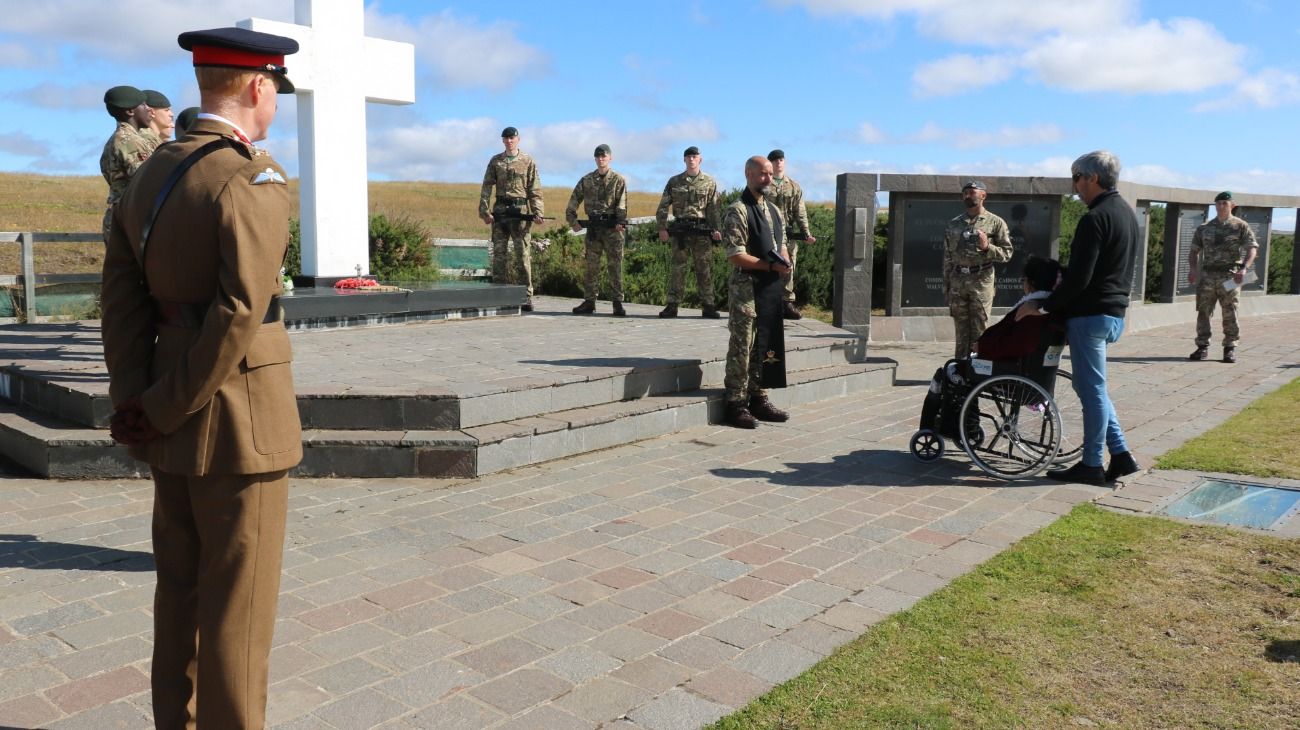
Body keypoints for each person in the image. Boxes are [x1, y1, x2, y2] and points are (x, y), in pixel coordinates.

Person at [100, 26, 302, 729]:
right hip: (238, 422)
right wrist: (162, 405)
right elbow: (241, 310)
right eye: (274, 87)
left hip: (167, 417)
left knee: (179, 594)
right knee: (238, 615)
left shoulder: (153, 171)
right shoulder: (253, 177)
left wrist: (136, 402)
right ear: (256, 87)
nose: (274, 99)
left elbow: (121, 298)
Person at [1015, 151, 1140, 486]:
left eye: (1076, 178)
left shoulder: (1095, 217)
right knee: (1093, 387)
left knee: (1092, 391)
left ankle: (1091, 465)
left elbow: (1079, 279)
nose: (1075, 186)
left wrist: (1043, 307)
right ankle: (1122, 455)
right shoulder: (1126, 214)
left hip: (1091, 316)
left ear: (1093, 178)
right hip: (1113, 314)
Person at [721, 156, 793, 428]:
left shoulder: (774, 210)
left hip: (770, 288)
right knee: (744, 346)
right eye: (762, 174)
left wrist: (785, 261)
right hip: (747, 288)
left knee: (766, 343)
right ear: (748, 174)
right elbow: (735, 254)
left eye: (770, 175)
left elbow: (782, 242)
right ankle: (735, 404)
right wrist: (769, 265)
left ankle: (759, 397)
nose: (768, 179)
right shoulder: (737, 210)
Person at [943, 180, 1013, 359]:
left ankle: (978, 369)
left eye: (973, 192)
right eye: (965, 192)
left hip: (981, 281)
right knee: (961, 330)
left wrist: (987, 247)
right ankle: (959, 369)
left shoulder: (996, 222)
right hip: (958, 281)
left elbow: (1007, 253)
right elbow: (948, 257)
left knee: (979, 329)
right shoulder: (954, 224)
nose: (968, 195)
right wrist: (947, 285)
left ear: (983, 195)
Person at [1187, 191, 1258, 364]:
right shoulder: (1204, 228)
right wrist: (1193, 269)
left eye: (1224, 203)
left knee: (1230, 312)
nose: (1220, 206)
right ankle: (1202, 347)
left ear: (1232, 205)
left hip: (1230, 276)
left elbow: (1252, 248)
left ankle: (1230, 348)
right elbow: (1194, 251)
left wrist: (1244, 268)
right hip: (1208, 276)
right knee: (1204, 311)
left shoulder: (1240, 226)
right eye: (1218, 203)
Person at [479, 126, 544, 311]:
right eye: (506, 138)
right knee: (499, 256)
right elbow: (486, 187)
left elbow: (535, 189)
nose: (509, 141)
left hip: (520, 211)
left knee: (522, 256)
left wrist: (537, 212)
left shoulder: (527, 161)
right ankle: (498, 295)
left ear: (518, 139)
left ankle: (526, 297)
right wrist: (484, 211)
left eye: (512, 138)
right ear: (503, 141)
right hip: (500, 211)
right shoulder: (496, 161)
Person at [655, 146, 722, 318]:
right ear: (684, 160)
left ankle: (708, 306)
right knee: (678, 269)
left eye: (694, 156)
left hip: (701, 231)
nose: (691, 159)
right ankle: (672, 305)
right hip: (681, 231)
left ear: (700, 159)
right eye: (688, 157)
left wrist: (717, 230)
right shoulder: (674, 181)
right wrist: (662, 227)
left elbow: (714, 209)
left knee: (704, 269)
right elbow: (663, 206)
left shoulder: (710, 182)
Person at [566, 143, 628, 316]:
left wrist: (620, 221)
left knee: (615, 266)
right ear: (595, 159)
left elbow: (622, 204)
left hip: (612, 230)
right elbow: (573, 202)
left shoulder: (618, 180)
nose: (601, 159)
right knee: (591, 267)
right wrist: (573, 221)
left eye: (604, 156)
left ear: (610, 158)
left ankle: (617, 303)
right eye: (598, 157)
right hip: (593, 229)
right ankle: (589, 301)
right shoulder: (586, 180)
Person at [974, 256, 1063, 361]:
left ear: (1032, 282)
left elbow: (1015, 345)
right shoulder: (1054, 308)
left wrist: (982, 347)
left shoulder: (1030, 311)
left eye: (1024, 279)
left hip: (1006, 365)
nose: (1023, 283)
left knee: (953, 369)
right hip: (1028, 365)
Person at [98, 85, 155, 243]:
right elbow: (147, 181)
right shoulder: (128, 141)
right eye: (144, 105)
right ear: (130, 111)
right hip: (131, 220)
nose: (150, 109)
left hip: (127, 217)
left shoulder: (127, 139)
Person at [766, 149, 816, 320]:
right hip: (768, 231)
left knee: (789, 267)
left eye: (781, 159)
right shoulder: (764, 184)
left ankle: (787, 303)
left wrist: (806, 233)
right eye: (775, 160)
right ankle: (768, 302)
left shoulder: (793, 186)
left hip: (787, 233)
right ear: (770, 163)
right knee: (768, 266)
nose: (778, 162)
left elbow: (800, 211)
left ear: (784, 162)